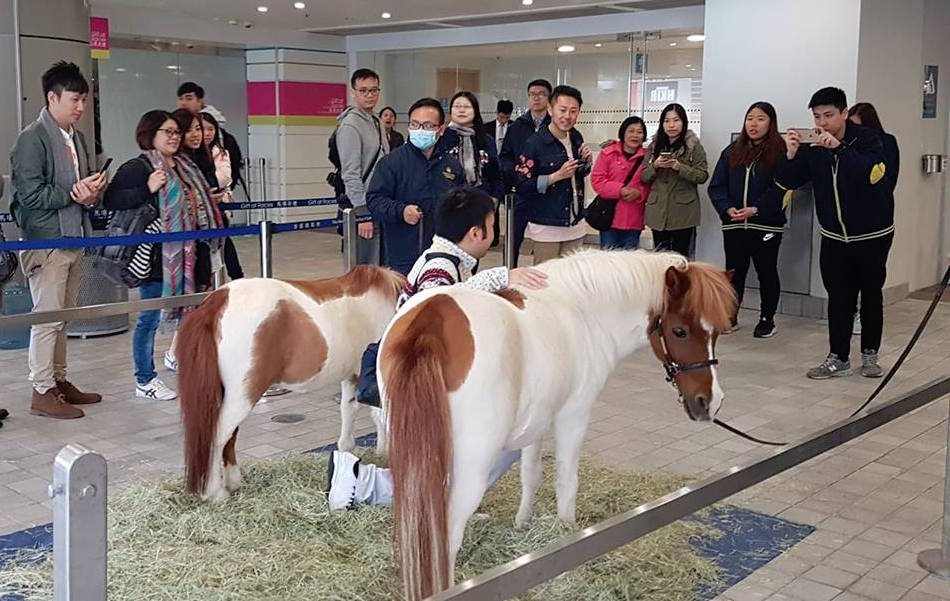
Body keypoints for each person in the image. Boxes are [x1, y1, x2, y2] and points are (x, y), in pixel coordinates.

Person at [328, 186, 549, 510]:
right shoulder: (440, 267)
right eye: (492, 223)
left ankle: (361, 481)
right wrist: (501, 277)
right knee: (497, 443)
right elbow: (433, 305)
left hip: (420, 379)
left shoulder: (448, 261)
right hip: (417, 383)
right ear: (477, 232)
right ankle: (361, 483)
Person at [10, 61, 106, 419]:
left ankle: (59, 381)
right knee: (47, 317)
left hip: (74, 236)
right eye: (75, 99)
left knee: (62, 317)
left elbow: (74, 192)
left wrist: (90, 193)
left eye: (84, 99)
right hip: (46, 241)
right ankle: (41, 389)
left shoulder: (76, 138)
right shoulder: (32, 138)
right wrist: (74, 193)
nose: (80, 107)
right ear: (52, 97)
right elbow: (30, 196)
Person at [778, 87, 893, 380]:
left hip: (872, 234)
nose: (823, 122)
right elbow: (789, 181)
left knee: (870, 294)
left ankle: (870, 355)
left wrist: (838, 149)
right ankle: (838, 357)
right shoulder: (814, 146)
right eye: (817, 117)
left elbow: (870, 176)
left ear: (844, 113)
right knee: (839, 297)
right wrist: (790, 155)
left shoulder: (869, 140)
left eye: (829, 115)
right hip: (833, 236)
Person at [103, 110, 190, 401]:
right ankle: (145, 378)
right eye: (167, 131)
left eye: (176, 131)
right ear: (150, 134)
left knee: (188, 313)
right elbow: (112, 200)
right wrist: (147, 188)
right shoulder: (137, 168)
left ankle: (182, 361)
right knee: (149, 318)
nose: (174, 136)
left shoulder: (181, 166)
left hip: (181, 255)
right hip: (151, 257)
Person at [708, 102, 788, 337]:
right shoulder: (731, 151)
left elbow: (781, 188)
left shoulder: (780, 152)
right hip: (734, 223)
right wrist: (727, 208)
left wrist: (756, 209)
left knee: (766, 271)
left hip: (765, 223)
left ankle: (767, 318)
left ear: (771, 123)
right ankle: (730, 316)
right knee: (734, 272)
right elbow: (717, 186)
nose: (753, 123)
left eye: (760, 118)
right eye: (750, 118)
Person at [159, 109, 225, 373]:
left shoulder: (200, 160)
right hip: (187, 242)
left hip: (208, 236)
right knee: (193, 296)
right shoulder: (179, 163)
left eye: (199, 128)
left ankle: (191, 349)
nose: (197, 134)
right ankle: (177, 352)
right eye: (190, 130)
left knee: (204, 295)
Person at [366, 97, 464, 275]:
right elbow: (374, 200)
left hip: (443, 256)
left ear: (440, 130)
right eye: (415, 124)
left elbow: (462, 202)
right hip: (403, 256)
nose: (420, 130)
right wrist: (401, 211)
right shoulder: (392, 163)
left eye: (427, 126)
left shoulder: (451, 165)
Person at [515, 85, 592, 264]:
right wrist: (555, 176)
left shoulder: (576, 137)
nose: (567, 116)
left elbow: (577, 174)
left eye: (573, 111)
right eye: (563, 110)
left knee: (572, 278)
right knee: (547, 281)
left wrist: (586, 162)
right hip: (546, 224)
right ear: (550, 109)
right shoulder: (535, 143)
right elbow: (521, 185)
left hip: (575, 220)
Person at [847, 102, 900, 336]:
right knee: (845, 282)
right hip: (846, 226)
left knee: (870, 280)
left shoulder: (885, 143)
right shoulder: (842, 146)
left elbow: (888, 180)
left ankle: (867, 331)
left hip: (875, 224)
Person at [640, 103, 709, 257]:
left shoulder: (693, 145)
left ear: (683, 122)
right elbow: (643, 177)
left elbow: (702, 176)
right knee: (660, 257)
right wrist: (656, 165)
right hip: (658, 211)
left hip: (683, 212)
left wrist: (679, 167)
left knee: (681, 258)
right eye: (667, 121)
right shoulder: (654, 146)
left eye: (676, 120)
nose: (671, 125)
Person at [336, 68, 389, 265]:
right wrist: (362, 213)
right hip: (364, 205)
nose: (369, 95)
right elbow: (350, 174)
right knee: (364, 270)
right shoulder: (350, 125)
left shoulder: (376, 121)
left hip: (380, 202)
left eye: (374, 90)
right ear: (353, 92)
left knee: (380, 267)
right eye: (363, 90)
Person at [499, 79, 553, 266]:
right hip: (520, 192)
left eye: (541, 94)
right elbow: (505, 156)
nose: (536, 98)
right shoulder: (517, 126)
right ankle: (508, 275)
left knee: (546, 244)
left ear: (549, 98)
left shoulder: (556, 125)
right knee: (513, 240)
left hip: (547, 192)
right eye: (532, 94)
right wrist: (514, 174)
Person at [591, 116, 651, 250]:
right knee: (610, 263)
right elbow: (597, 181)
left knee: (629, 265)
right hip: (609, 218)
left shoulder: (647, 158)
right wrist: (620, 190)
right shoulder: (608, 153)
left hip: (634, 219)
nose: (635, 135)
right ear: (623, 132)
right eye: (631, 131)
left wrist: (640, 194)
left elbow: (651, 184)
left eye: (640, 132)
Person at [176, 82, 245, 198]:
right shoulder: (175, 126)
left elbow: (230, 169)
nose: (183, 103)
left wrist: (218, 190)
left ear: (200, 100)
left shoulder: (221, 139)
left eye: (189, 98)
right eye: (180, 99)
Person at [439, 91, 504, 204]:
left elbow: (496, 174)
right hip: (448, 202)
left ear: (475, 110)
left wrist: (495, 198)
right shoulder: (441, 137)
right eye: (457, 106)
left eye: (467, 106)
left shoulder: (486, 139)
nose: (461, 110)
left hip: (480, 201)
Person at [202, 111, 244, 281]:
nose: (206, 133)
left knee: (225, 243)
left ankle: (237, 276)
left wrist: (203, 187)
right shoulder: (192, 154)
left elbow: (225, 176)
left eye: (211, 129)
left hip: (219, 206)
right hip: (201, 208)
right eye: (202, 129)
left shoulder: (221, 151)